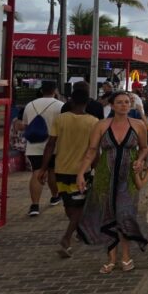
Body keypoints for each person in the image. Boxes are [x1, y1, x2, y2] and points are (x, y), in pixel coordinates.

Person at [76, 91, 148, 274]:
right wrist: (81, 173)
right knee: (107, 215)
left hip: (128, 177)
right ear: (112, 105)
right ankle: (111, 258)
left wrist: (140, 160)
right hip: (105, 176)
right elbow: (91, 150)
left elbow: (144, 147)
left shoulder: (138, 125)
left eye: (127, 102)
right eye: (119, 102)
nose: (124, 105)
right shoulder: (101, 125)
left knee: (125, 214)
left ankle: (126, 256)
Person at [37, 88, 99, 258]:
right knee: (78, 206)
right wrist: (97, 168)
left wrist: (43, 168)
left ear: (71, 101)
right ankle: (68, 237)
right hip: (82, 171)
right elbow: (95, 149)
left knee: (68, 205)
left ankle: (76, 232)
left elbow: (50, 145)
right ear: (87, 102)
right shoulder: (93, 122)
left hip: (60, 170)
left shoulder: (60, 119)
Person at [23, 80, 64, 216]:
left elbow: (25, 124)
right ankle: (55, 196)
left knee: (36, 172)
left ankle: (35, 205)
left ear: (41, 90)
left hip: (34, 146)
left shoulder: (30, 105)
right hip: (54, 145)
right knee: (52, 171)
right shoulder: (60, 105)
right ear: (55, 91)